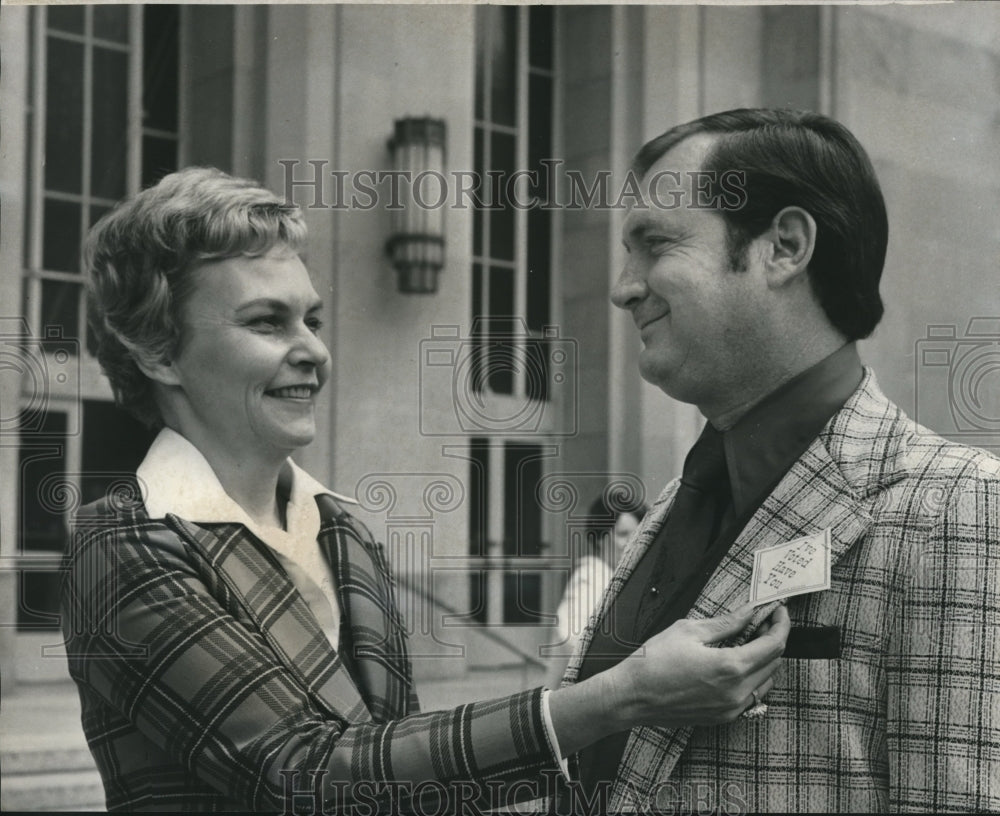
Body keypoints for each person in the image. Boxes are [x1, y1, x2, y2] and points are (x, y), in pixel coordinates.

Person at [60, 166, 790, 813]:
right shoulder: (127, 542)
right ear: (158, 352)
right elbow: (303, 778)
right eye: (265, 321)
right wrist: (618, 697)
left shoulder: (339, 527)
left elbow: (407, 778)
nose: (313, 349)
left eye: (311, 318)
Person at [562, 109, 1000, 813]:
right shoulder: (681, 497)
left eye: (654, 244)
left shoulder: (958, 506)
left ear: (784, 246)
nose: (622, 286)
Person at [547, 488, 648, 691]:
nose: (631, 543)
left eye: (637, 535)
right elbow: (571, 638)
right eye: (622, 534)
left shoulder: (619, 578)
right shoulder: (590, 577)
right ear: (600, 538)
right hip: (578, 696)